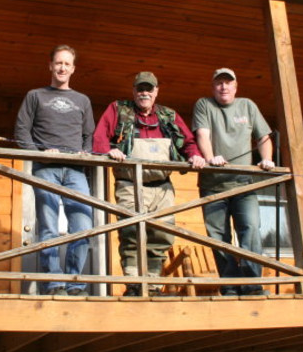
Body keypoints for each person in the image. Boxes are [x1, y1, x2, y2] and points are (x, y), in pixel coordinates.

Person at [93, 72, 205, 296]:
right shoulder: (118, 109)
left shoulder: (168, 115)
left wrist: (195, 155)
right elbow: (98, 139)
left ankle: (152, 285)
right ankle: (135, 285)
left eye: (149, 89)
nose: (144, 93)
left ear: (156, 92)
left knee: (161, 234)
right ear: (134, 91)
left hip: (163, 186)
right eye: (140, 89)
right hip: (129, 183)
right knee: (131, 233)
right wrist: (110, 150)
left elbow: (189, 142)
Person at [14, 45, 95, 296]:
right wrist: (39, 153)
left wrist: (85, 153)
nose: (62, 68)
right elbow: (21, 130)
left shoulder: (83, 100)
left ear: (73, 69)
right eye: (58, 63)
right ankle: (53, 283)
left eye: (67, 64)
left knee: (82, 225)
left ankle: (74, 282)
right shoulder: (35, 95)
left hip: (75, 171)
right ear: (50, 65)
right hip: (45, 169)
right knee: (48, 226)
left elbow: (88, 134)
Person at [193, 67, 275, 296]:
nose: (223, 87)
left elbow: (264, 137)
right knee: (218, 238)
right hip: (213, 184)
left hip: (244, 183)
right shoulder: (204, 104)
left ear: (236, 87)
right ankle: (229, 287)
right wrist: (211, 159)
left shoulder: (247, 105)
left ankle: (251, 286)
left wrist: (266, 159)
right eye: (219, 83)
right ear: (213, 87)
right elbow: (202, 134)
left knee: (250, 230)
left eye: (228, 83)